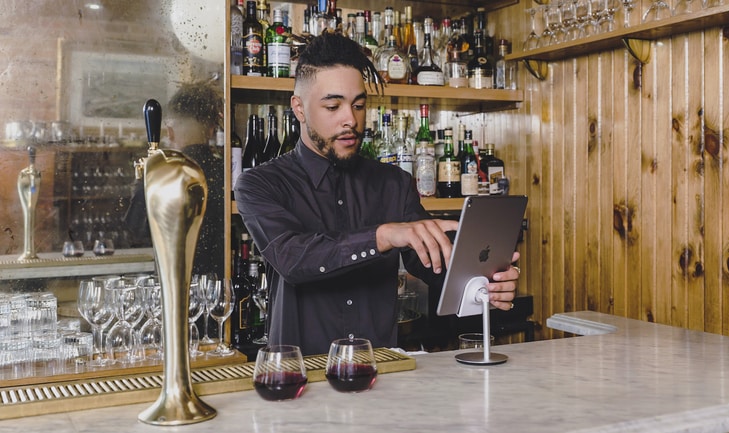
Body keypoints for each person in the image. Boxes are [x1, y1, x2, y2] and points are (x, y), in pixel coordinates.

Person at [234, 32, 520, 355]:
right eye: (333, 106)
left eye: (358, 105)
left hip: (380, 378)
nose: (350, 120)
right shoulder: (260, 184)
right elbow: (293, 258)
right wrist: (382, 236)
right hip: (300, 382)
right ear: (299, 109)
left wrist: (484, 284)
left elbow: (435, 264)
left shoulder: (393, 184)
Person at [123, 81, 225, 278]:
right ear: (212, 130)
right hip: (219, 287)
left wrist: (144, 179)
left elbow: (136, 229)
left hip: (173, 285)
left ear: (169, 132)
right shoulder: (227, 171)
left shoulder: (165, 172)